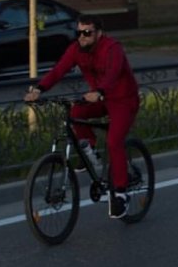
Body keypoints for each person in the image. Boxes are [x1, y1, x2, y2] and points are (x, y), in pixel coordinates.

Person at [23, 14, 140, 218]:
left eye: (87, 33)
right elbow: (59, 70)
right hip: (98, 98)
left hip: (123, 100)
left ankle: (121, 194)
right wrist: (39, 90)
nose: (82, 37)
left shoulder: (113, 48)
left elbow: (113, 73)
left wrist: (100, 91)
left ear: (99, 33)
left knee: (114, 141)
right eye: (79, 33)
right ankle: (90, 149)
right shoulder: (77, 49)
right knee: (77, 111)